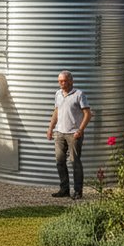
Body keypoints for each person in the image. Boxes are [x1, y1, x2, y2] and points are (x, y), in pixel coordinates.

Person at [46, 70, 91, 199]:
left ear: (71, 81)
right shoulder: (58, 94)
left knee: (74, 162)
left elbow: (88, 114)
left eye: (65, 81)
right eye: (60, 81)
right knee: (60, 161)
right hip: (59, 133)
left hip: (74, 134)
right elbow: (56, 112)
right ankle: (64, 189)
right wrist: (50, 128)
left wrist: (80, 130)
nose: (62, 83)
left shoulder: (79, 94)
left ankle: (78, 191)